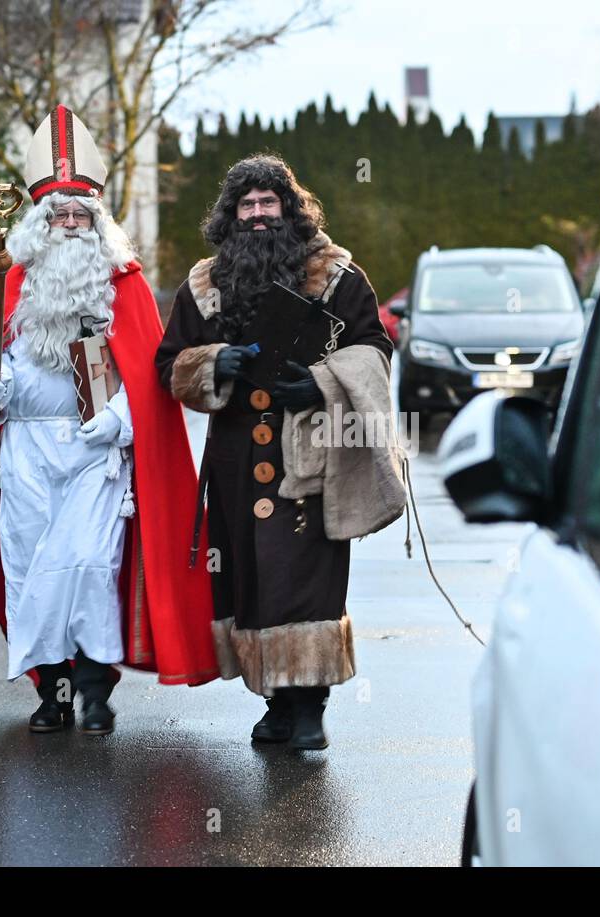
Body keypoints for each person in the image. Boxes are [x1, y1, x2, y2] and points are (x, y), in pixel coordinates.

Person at [0, 105, 217, 735]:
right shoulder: (12, 283)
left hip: (95, 458)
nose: (71, 225)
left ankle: (96, 690)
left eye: (81, 215)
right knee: (27, 571)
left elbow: (150, 378)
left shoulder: (123, 285)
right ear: (40, 225)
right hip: (26, 458)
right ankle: (51, 693)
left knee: (90, 570)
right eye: (59, 216)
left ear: (97, 222)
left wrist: (123, 419)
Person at [155, 153, 404, 750]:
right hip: (237, 457)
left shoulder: (339, 275)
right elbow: (169, 364)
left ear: (290, 209)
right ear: (231, 214)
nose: (259, 213)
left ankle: (310, 707)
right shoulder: (204, 284)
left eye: (270, 202)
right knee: (250, 576)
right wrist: (214, 362)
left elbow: (375, 348)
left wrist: (320, 382)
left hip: (310, 452)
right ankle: (274, 700)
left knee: (307, 574)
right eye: (248, 204)